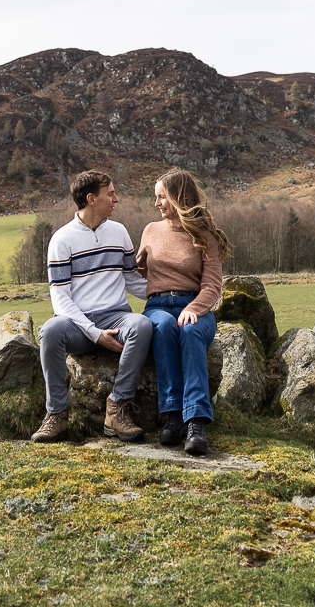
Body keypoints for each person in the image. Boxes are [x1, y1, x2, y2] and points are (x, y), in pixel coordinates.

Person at [32, 170, 151, 444]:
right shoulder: (61, 240)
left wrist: (170, 295)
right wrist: (94, 333)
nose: (116, 199)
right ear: (91, 199)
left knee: (142, 325)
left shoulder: (118, 231)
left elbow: (132, 280)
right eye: (110, 194)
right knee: (50, 330)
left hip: (117, 317)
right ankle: (57, 415)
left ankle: (117, 409)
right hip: (77, 324)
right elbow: (60, 298)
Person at [137, 168, 231, 456]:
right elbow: (141, 272)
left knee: (189, 331)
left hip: (196, 307)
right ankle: (173, 415)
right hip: (157, 306)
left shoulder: (205, 235)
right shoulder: (150, 230)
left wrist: (194, 309)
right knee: (164, 327)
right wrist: (140, 264)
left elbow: (213, 285)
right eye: (156, 197)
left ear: (178, 198)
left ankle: (196, 421)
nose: (157, 203)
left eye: (162, 197)